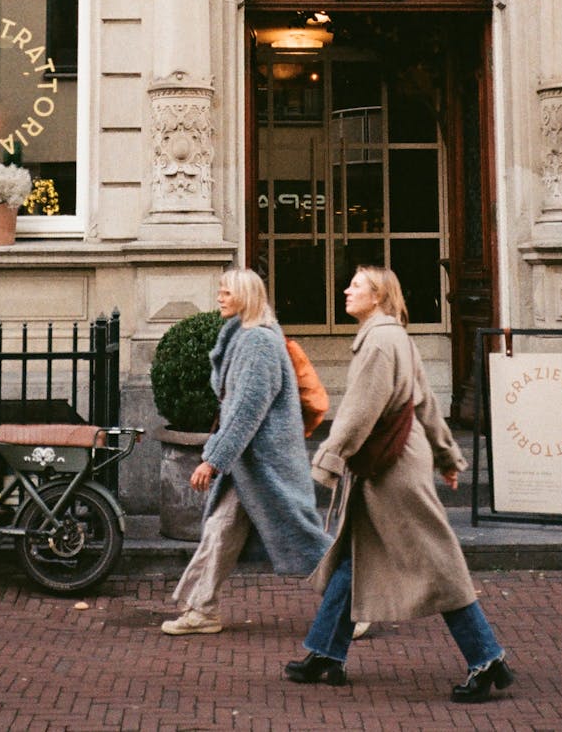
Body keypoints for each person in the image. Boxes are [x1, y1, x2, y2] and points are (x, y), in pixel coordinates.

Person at [284, 265, 515, 703]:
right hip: (397, 463)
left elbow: (358, 411)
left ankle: (486, 659)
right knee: (356, 556)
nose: (347, 290)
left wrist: (327, 461)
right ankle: (325, 653)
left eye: (357, 285)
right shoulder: (397, 337)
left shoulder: (378, 343)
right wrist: (447, 455)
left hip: (391, 472)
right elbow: (425, 403)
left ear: (378, 296)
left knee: (436, 563)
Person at [160, 267, 331, 636]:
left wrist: (212, 460)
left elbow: (245, 411)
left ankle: (353, 604)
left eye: (226, 292)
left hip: (267, 465)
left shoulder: (258, 343)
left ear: (246, 296)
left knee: (304, 538)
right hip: (250, 464)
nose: (219, 297)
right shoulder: (244, 336)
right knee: (220, 531)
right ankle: (202, 609)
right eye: (219, 291)